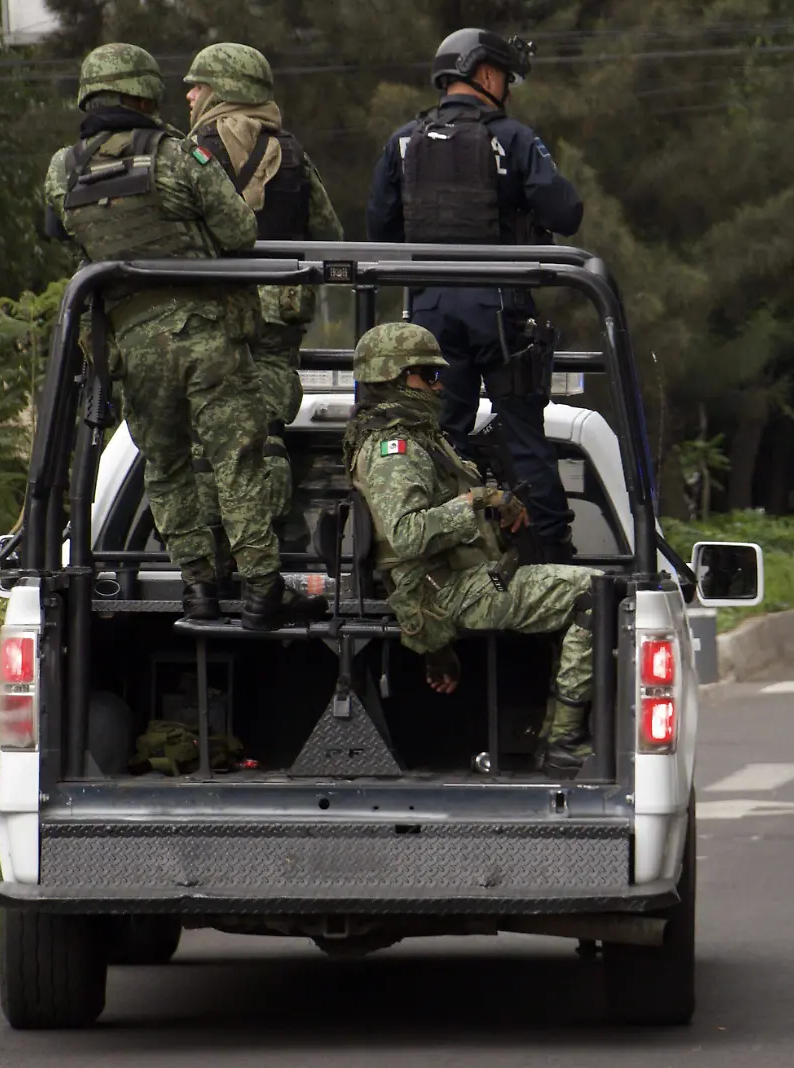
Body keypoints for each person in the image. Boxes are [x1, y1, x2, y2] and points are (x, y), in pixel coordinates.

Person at [42, 43, 323, 630]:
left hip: (129, 346)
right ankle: (262, 593)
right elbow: (239, 231)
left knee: (165, 467)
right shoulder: (176, 155)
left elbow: (66, 241)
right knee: (238, 459)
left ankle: (197, 589)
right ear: (145, 95)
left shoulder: (61, 169)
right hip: (205, 335)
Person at [366, 28, 585, 566]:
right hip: (500, 309)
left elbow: (379, 229)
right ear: (485, 75)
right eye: (506, 78)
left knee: (442, 436)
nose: (507, 88)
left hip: (430, 315)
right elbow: (567, 213)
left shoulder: (403, 141)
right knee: (523, 435)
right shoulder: (513, 138)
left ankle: (448, 549)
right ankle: (547, 550)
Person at [345, 321, 602, 777]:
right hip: (446, 591)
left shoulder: (421, 437)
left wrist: (493, 502)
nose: (439, 385)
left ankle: (556, 738)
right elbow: (405, 536)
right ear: (392, 377)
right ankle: (562, 742)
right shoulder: (394, 448)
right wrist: (474, 503)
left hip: (453, 584)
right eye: (427, 374)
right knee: (593, 595)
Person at [183, 42, 344, 532]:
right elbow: (331, 235)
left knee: (206, 436)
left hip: (212, 309)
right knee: (267, 432)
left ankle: (212, 567)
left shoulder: (191, 152)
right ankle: (269, 549)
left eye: (199, 85)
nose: (190, 95)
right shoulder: (291, 152)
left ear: (224, 90)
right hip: (279, 313)